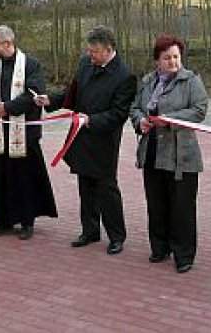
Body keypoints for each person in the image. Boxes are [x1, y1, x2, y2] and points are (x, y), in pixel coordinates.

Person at [35, 26, 136, 255]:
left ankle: (116, 236)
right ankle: (90, 231)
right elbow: (72, 94)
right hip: (81, 136)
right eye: (89, 51)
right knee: (85, 186)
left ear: (108, 49)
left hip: (104, 140)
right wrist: (50, 100)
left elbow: (119, 114)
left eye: (94, 51)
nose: (90, 55)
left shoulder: (125, 76)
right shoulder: (85, 65)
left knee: (106, 189)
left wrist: (91, 120)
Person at [129, 34, 208, 273]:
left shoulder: (191, 81)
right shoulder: (148, 81)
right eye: (167, 58)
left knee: (182, 206)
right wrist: (140, 121)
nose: (172, 62)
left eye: (176, 57)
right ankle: (159, 247)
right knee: (156, 203)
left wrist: (169, 120)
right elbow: (135, 107)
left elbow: (199, 110)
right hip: (152, 150)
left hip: (181, 154)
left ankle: (183, 254)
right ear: (157, 60)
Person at [0, 25, 57, 240]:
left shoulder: (31, 65)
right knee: (2, 178)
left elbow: (35, 94)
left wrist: (9, 108)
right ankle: (4, 220)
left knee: (25, 178)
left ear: (8, 43)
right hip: (1, 133)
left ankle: (27, 221)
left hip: (24, 134)